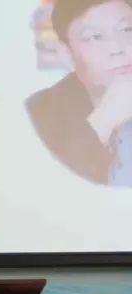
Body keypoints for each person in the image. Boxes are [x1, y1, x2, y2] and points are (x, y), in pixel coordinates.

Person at [26, 0, 132, 186]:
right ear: (67, 54)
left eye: (126, 30)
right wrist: (103, 120)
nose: (118, 49)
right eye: (95, 37)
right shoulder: (38, 115)